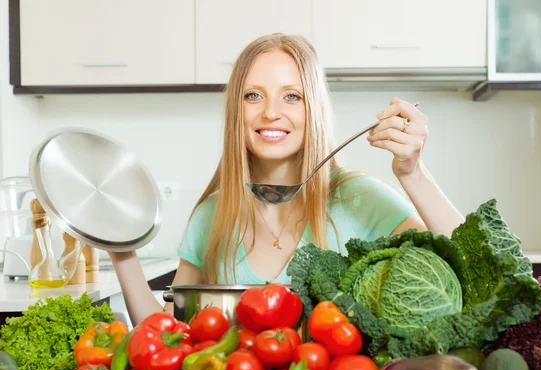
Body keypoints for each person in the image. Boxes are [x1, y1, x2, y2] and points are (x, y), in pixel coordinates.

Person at [109, 33, 464, 326]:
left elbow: (470, 267)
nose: (271, 112)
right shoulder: (212, 215)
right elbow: (163, 334)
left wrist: (412, 173)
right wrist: (120, 249)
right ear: (237, 111)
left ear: (314, 110)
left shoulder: (359, 198)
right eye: (253, 96)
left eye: (291, 96)